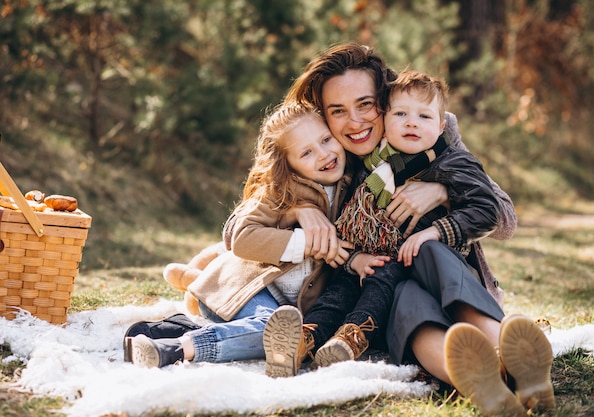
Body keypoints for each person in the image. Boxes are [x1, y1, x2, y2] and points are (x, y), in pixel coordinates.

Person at [240, 43, 553, 416]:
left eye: (366, 105)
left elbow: (503, 217)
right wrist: (299, 209)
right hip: (386, 289)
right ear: (324, 116)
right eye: (337, 111)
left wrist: (440, 191)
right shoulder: (326, 155)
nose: (354, 122)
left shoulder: (427, 132)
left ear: (385, 101)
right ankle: (479, 378)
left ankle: (509, 350)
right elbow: (240, 224)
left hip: (446, 274)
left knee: (427, 258)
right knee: (409, 307)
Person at [123, 102, 360, 369]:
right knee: (269, 331)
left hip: (288, 311)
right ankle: (173, 349)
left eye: (326, 139)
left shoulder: (352, 185)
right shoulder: (279, 191)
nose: (323, 154)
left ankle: (175, 329)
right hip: (243, 290)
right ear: (287, 164)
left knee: (283, 334)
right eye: (306, 152)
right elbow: (242, 237)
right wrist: (305, 243)